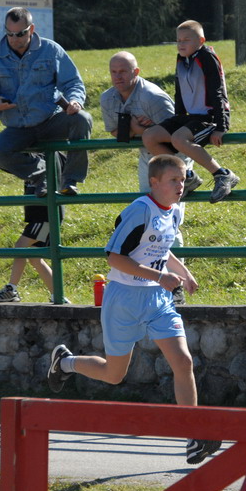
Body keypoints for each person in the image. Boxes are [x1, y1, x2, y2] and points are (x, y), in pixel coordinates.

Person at [47, 155, 221, 465]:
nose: (181, 185)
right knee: (114, 375)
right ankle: (66, 362)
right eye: (173, 180)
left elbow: (161, 248)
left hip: (157, 300)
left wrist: (183, 271)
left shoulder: (173, 212)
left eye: (183, 180)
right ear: (154, 182)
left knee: (183, 362)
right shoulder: (139, 210)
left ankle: (194, 436)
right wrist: (160, 276)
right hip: (123, 299)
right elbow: (114, 257)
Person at [100, 51, 192, 304]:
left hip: (174, 158)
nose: (117, 77)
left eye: (123, 71)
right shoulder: (108, 98)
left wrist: (139, 129)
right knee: (149, 216)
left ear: (136, 72)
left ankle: (175, 286)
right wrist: (141, 129)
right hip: (147, 158)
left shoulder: (153, 97)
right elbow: (115, 132)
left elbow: (175, 136)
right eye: (113, 72)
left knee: (169, 218)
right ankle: (152, 278)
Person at [0, 6, 91, 197]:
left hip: (50, 121)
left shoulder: (51, 50)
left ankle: (70, 180)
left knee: (82, 119)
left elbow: (73, 82)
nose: (14, 38)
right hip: (18, 128)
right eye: (9, 33)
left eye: (20, 33)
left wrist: (75, 101)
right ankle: (42, 174)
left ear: (31, 29)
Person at [142, 20, 239, 204]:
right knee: (149, 136)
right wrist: (178, 118)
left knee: (178, 139)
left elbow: (218, 92)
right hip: (189, 118)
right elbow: (179, 91)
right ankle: (187, 176)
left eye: (186, 40)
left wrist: (221, 126)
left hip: (209, 117)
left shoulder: (207, 57)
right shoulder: (181, 59)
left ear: (201, 41)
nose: (181, 44)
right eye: (178, 40)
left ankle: (222, 174)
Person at [0, 177, 70, 304]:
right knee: (35, 258)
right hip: (39, 218)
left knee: (21, 246)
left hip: (45, 218)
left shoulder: (46, 166)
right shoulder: (31, 168)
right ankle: (58, 295)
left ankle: (11, 290)